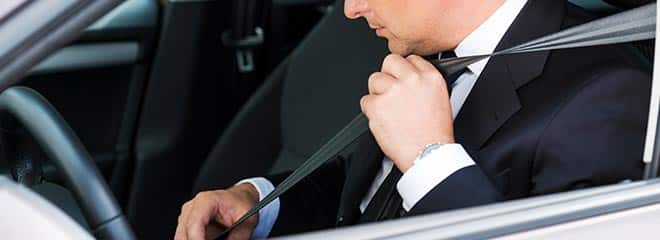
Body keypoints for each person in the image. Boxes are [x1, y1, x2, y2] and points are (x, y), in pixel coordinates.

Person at [175, 0, 651, 239]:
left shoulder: (610, 97)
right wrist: (258, 205)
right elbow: (370, 200)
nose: (351, 9)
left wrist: (430, 160)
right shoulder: (442, 53)